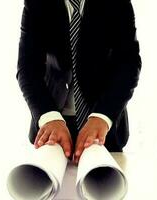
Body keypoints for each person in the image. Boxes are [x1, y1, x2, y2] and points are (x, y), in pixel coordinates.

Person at [16, 0, 141, 163]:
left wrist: (102, 116)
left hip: (103, 125)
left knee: (104, 185)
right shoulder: (36, 3)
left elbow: (128, 65)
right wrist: (49, 117)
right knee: (48, 184)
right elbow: (27, 68)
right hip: (53, 123)